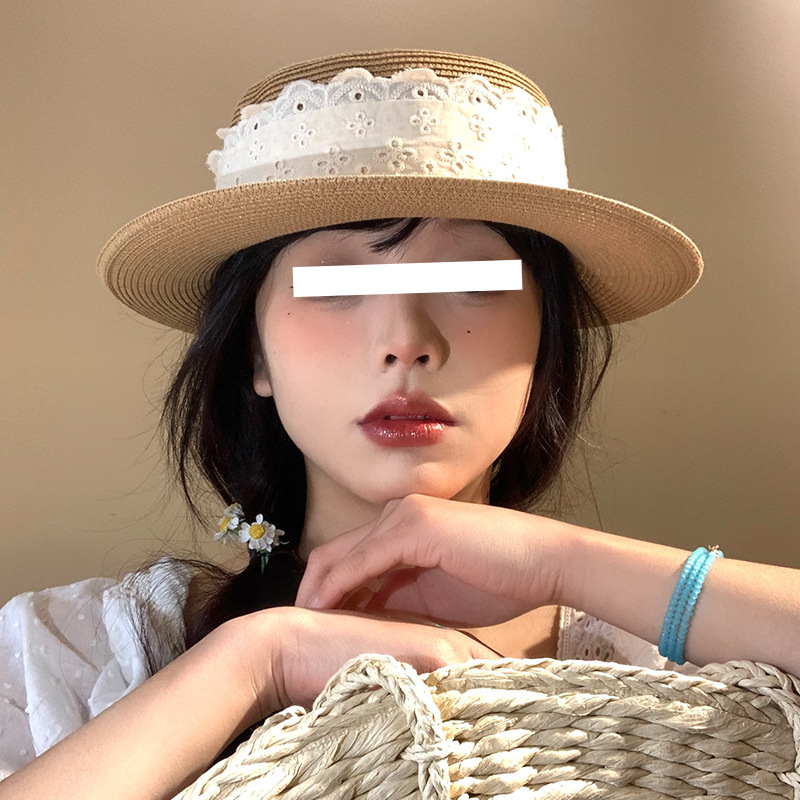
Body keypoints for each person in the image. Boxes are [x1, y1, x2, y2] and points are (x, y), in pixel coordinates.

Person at [1, 49, 798, 800]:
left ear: (546, 343)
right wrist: (254, 660)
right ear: (255, 353)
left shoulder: (671, 661)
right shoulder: (78, 654)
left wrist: (569, 563)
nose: (407, 343)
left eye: (473, 280)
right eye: (335, 287)